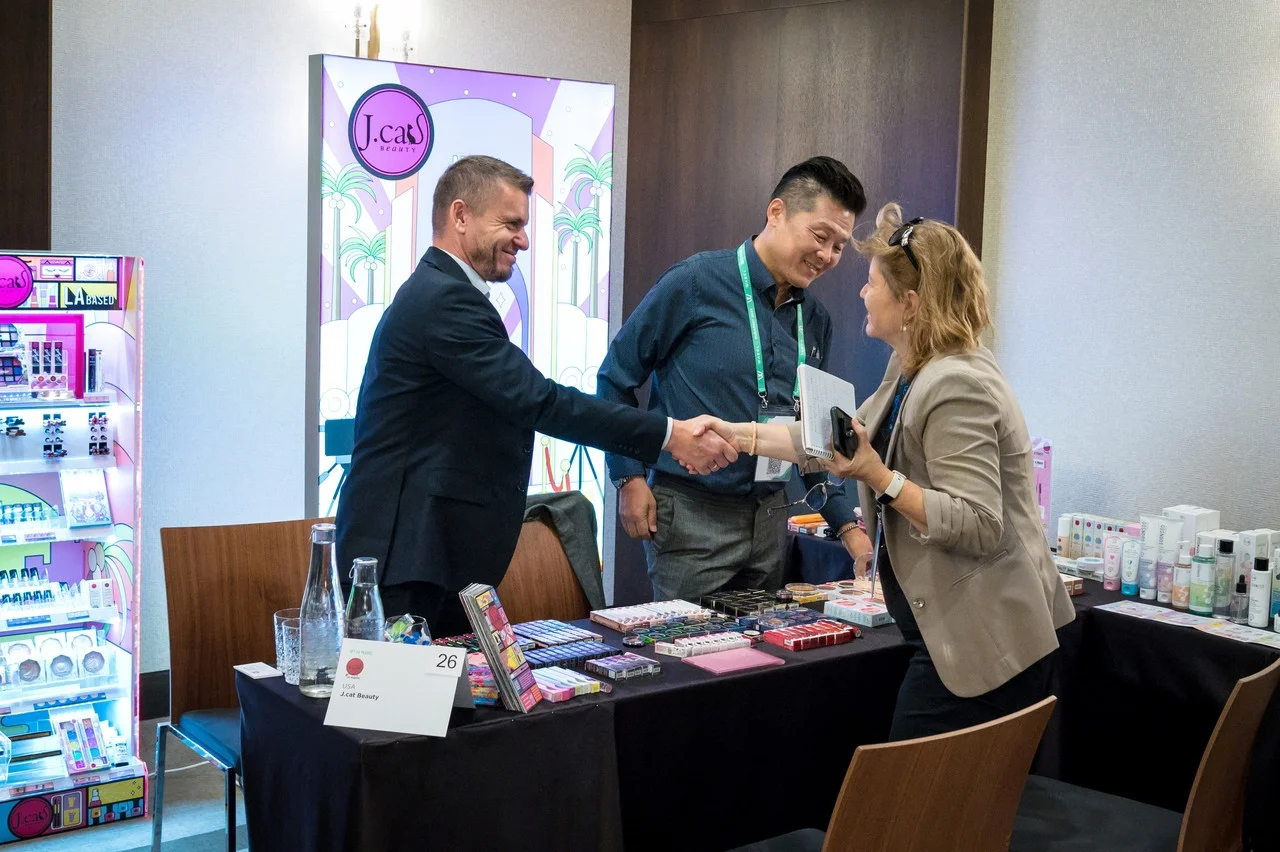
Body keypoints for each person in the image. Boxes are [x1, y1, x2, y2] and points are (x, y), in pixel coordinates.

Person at [710, 202, 1075, 739]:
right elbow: (830, 439)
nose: (862, 292)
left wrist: (880, 477)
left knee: (912, 790)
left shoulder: (957, 384)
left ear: (910, 303)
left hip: (984, 643)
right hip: (951, 632)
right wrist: (733, 434)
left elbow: (977, 522)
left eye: (873, 282)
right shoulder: (911, 367)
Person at [336, 155, 736, 637]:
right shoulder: (443, 298)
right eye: (511, 224)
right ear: (460, 215)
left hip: (426, 551)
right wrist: (669, 434)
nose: (523, 240)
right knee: (398, 689)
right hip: (407, 556)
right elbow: (540, 402)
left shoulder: (443, 292)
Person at [597, 157, 873, 603]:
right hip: (691, 513)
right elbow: (615, 379)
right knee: (687, 644)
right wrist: (628, 478)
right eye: (820, 237)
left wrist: (847, 527)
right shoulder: (694, 283)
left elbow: (815, 439)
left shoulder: (816, 320)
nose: (827, 256)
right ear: (777, 212)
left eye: (839, 247)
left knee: (762, 647)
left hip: (772, 519)